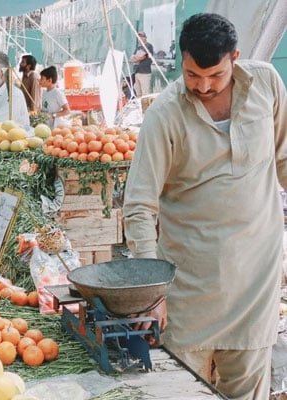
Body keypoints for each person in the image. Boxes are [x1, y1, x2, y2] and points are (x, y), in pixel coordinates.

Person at [123, 13, 287, 400]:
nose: (203, 86)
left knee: (247, 392)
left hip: (255, 283)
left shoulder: (266, 84)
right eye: (192, 74)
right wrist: (152, 292)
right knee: (181, 391)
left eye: (214, 75)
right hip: (189, 290)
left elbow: (284, 159)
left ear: (235, 57)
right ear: (181, 60)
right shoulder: (164, 115)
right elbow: (139, 206)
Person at [130, 31, 154, 97]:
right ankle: (140, 107)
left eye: (142, 36)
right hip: (137, 73)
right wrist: (137, 57)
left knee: (145, 94)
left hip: (145, 74)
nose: (140, 38)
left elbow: (142, 56)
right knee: (138, 94)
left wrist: (136, 58)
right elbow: (131, 59)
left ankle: (146, 107)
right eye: (139, 37)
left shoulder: (149, 46)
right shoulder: (138, 48)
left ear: (145, 37)